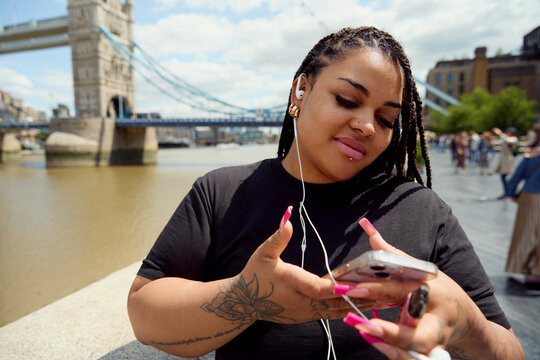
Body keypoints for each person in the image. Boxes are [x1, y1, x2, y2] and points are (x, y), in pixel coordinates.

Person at [127, 27, 524, 360]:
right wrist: (247, 297)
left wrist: (466, 324)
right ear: (300, 90)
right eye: (347, 100)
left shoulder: (421, 210)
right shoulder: (222, 193)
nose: (367, 126)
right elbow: (144, 313)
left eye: (386, 119)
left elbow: (510, 349)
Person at [505, 124, 540, 285]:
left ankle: (526, 269)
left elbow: (516, 177)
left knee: (527, 232)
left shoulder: (532, 154)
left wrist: (511, 193)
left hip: (531, 196)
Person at [493, 127, 518, 199]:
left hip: (508, 160)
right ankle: (507, 192)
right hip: (504, 159)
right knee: (503, 177)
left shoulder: (513, 138)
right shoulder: (506, 138)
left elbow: (507, 139)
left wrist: (500, 133)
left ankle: (509, 192)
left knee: (506, 177)